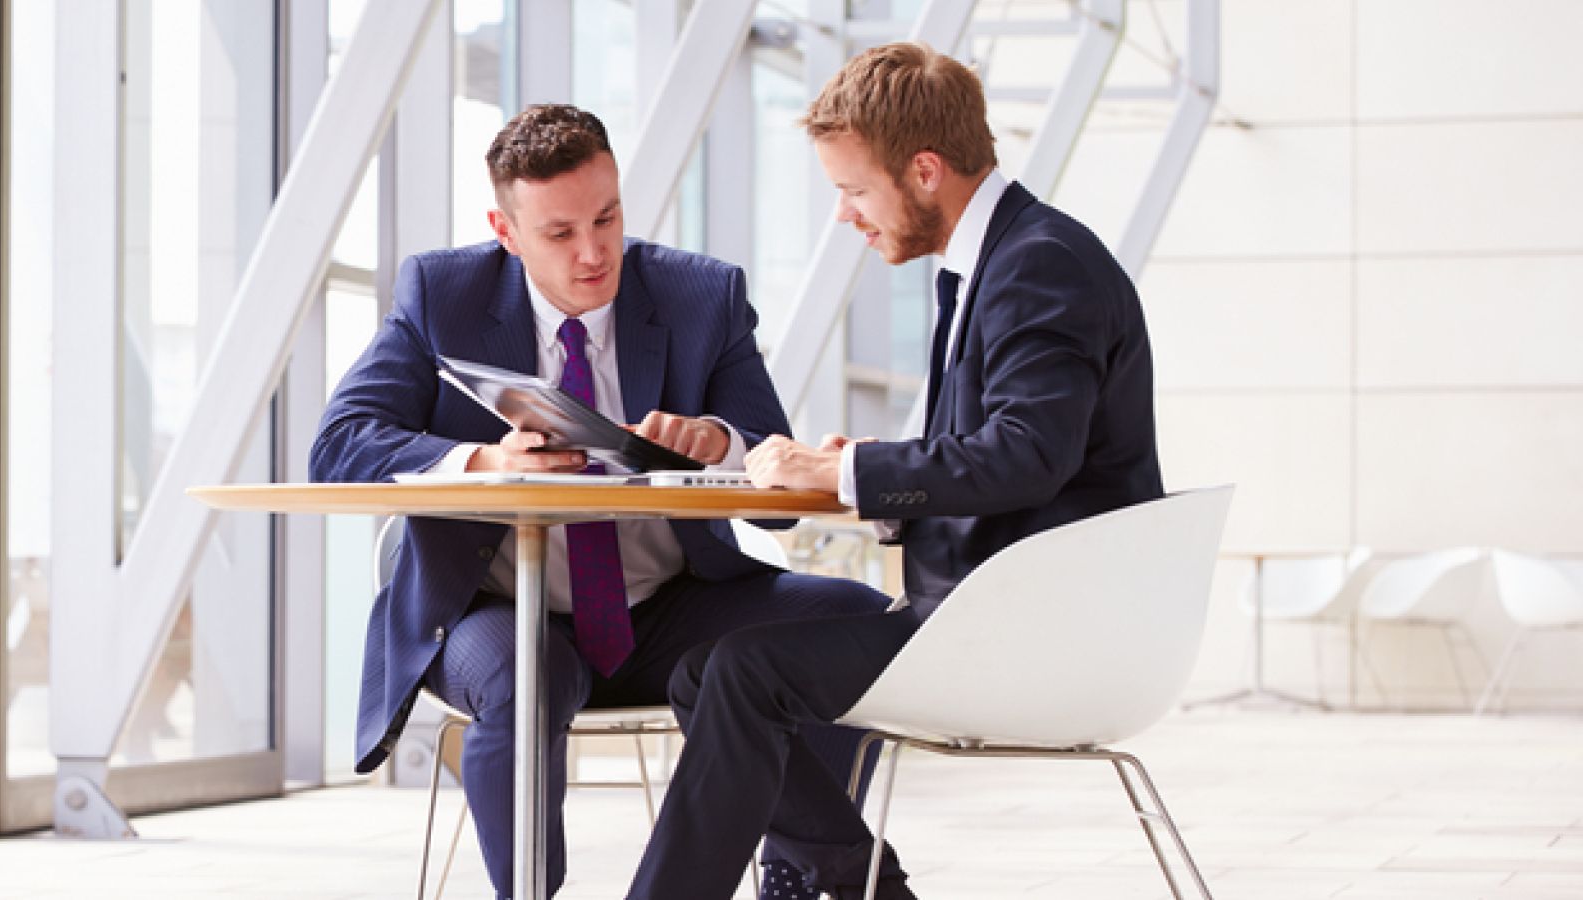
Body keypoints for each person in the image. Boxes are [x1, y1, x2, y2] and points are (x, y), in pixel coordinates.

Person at [311, 103, 899, 899]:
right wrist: (487, 459)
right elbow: (341, 441)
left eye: (607, 218)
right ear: (505, 230)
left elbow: (778, 492)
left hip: (666, 613)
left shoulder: (701, 295)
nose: (593, 252)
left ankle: (797, 872)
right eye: (559, 233)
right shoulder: (442, 294)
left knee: (853, 621)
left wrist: (718, 443)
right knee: (524, 679)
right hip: (497, 615)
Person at [625, 42, 1165, 900]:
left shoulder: (1040, 265)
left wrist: (852, 471)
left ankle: (855, 883)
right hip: (995, 615)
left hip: (1035, 633)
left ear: (924, 170)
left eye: (853, 190)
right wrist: (850, 474)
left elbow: (1027, 455)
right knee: (708, 672)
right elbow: (1001, 456)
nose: (845, 216)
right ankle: (863, 883)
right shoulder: (1000, 261)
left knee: (742, 674)